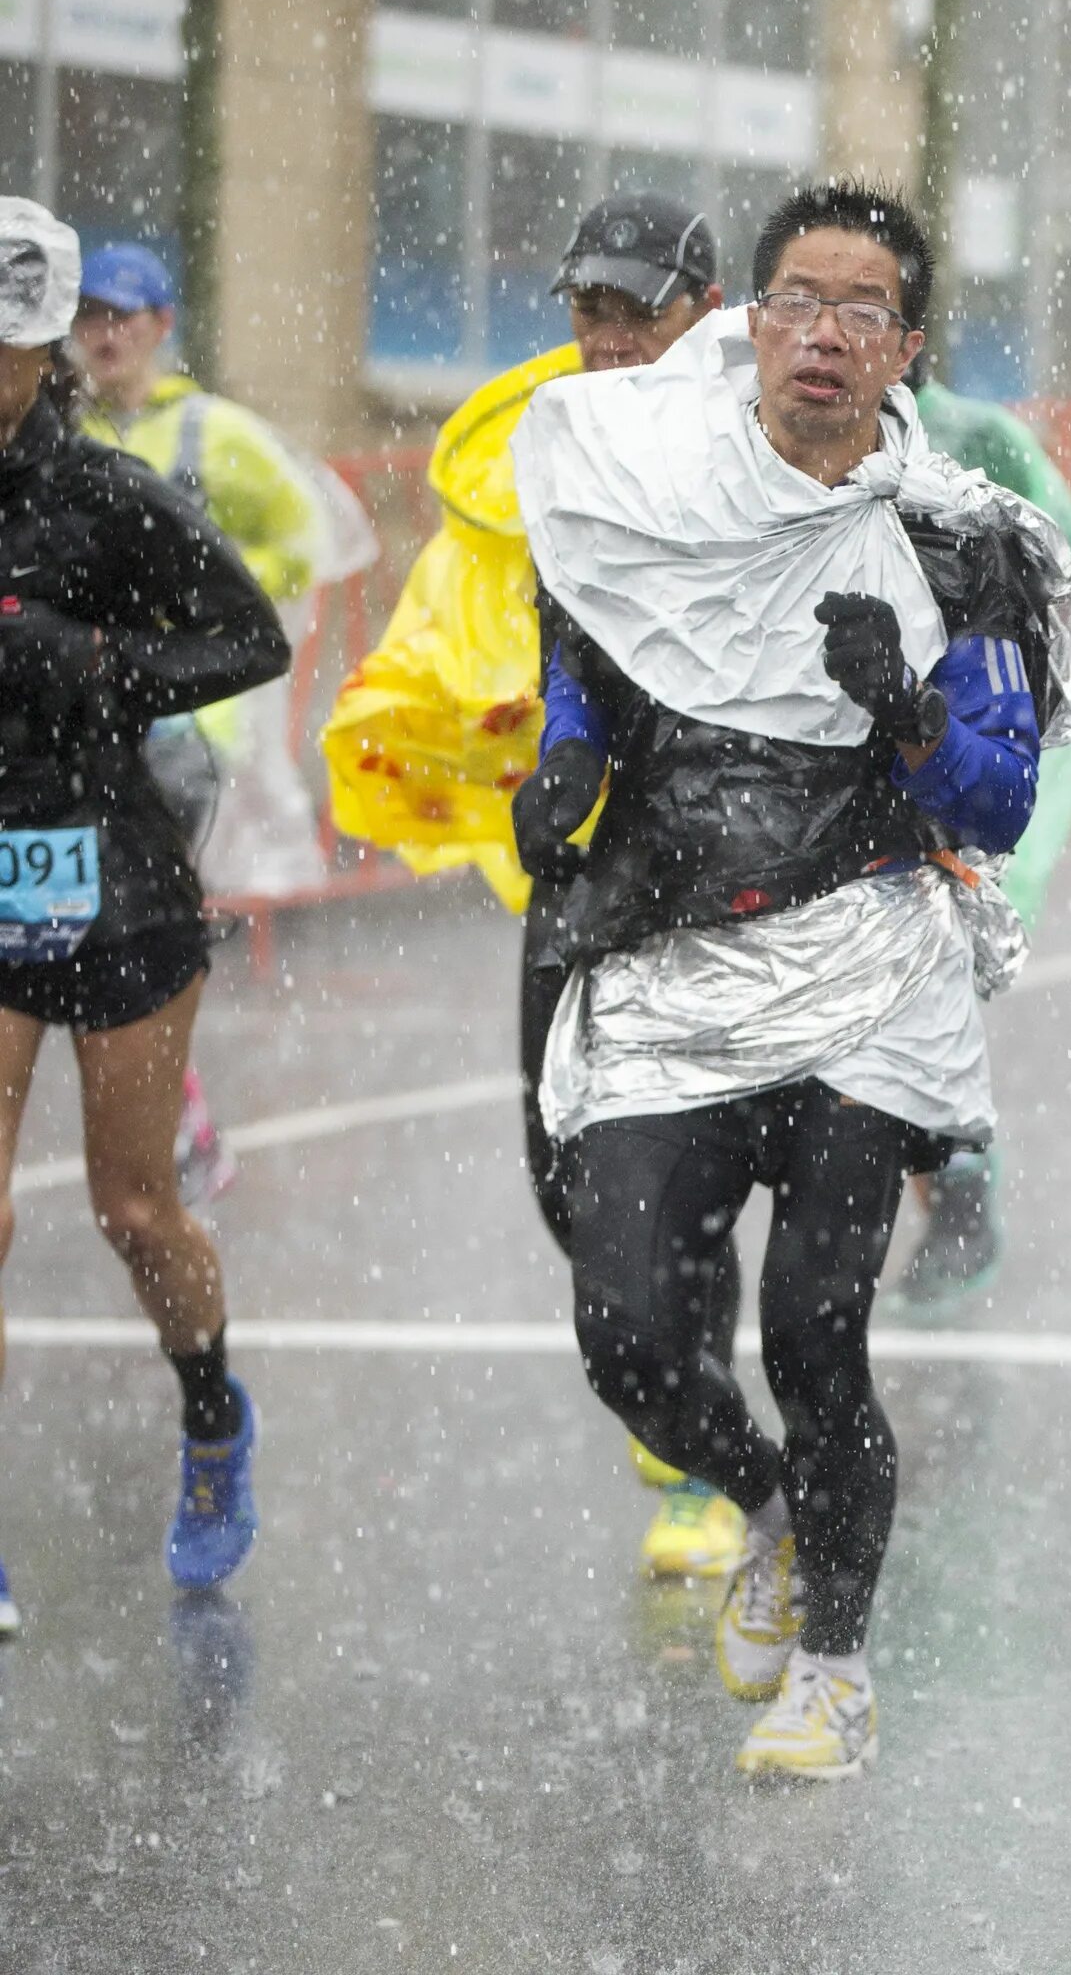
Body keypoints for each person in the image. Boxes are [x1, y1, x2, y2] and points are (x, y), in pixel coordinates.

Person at [516, 179, 1071, 1780]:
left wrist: (907, 711)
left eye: (860, 313)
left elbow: (993, 798)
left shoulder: (957, 543)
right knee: (625, 1330)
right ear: (747, 324)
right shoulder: (651, 486)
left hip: (863, 968)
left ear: (904, 346)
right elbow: (586, 641)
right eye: (796, 304)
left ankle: (835, 1661)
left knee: (813, 1329)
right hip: (678, 960)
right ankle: (767, 1504)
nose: (822, 339)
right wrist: (565, 759)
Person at [321, 193, 746, 1581]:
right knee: (568, 1179)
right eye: (591, 309)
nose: (614, 337)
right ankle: (675, 1395)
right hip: (584, 864)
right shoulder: (523, 461)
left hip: (737, 866)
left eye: (642, 310)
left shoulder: (773, 440)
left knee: (685, 1180)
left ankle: (711, 1455)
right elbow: (458, 627)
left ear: (705, 306)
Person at [0, 199, 293, 1629]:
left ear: (44, 346)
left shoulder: (110, 494)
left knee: (132, 1207)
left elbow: (255, 635)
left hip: (115, 877)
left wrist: (92, 662)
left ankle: (210, 1419)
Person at [72, 242, 328, 1205]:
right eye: (91, 313)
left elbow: (305, 532)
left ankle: (178, 1119)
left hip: (182, 734)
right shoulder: (56, 430)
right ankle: (180, 1118)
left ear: (162, 326)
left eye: (124, 315)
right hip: (80, 720)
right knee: (98, 934)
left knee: (124, 931)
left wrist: (210, 609)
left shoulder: (212, 435)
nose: (106, 332)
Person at [881, 360, 1071, 1318]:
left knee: (934, 955)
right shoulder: (791, 434)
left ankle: (960, 1183)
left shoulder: (975, 440)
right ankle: (949, 1181)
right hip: (878, 748)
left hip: (984, 740)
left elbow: (1066, 573)